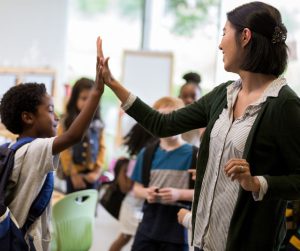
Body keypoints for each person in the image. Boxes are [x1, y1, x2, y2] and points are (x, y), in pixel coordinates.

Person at [96, 2, 300, 250]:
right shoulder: (222, 95)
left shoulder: (284, 105)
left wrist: (257, 183)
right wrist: (113, 84)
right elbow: (163, 124)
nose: (220, 43)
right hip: (203, 241)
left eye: (224, 32)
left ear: (245, 36)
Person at [0, 37, 104, 251]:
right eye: (49, 110)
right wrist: (97, 91)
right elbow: (73, 136)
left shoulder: (16, 148)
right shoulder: (33, 149)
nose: (56, 117)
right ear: (28, 118)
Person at [126, 96, 195, 251]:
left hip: (178, 232)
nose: (167, 124)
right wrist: (147, 193)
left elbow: (205, 194)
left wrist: (179, 194)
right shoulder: (147, 153)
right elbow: (136, 189)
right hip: (147, 229)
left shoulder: (195, 155)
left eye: (172, 117)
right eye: (161, 118)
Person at [109, 123, 156, 251]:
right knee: (127, 238)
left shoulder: (140, 158)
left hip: (137, 205)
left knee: (126, 238)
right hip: (132, 206)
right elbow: (127, 186)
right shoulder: (137, 160)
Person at [57, 77, 106, 193]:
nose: (88, 102)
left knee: (90, 207)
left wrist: (97, 171)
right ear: (75, 99)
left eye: (91, 99)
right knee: (72, 206)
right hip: (73, 175)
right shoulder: (66, 122)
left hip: (92, 175)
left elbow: (102, 148)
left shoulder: (98, 123)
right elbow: (64, 150)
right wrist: (73, 174)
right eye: (84, 98)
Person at [179, 72, 205, 146]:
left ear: (201, 98)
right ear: (179, 97)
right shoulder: (174, 116)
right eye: (185, 96)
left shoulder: (204, 119)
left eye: (193, 97)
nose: (189, 100)